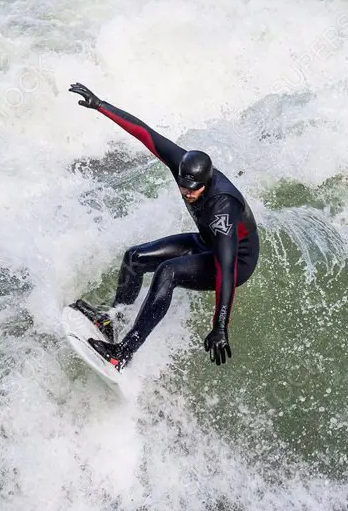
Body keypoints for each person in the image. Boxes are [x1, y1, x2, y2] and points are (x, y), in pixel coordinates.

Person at [68, 83, 260, 370]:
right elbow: (145, 133)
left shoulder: (223, 206)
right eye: (183, 187)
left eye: (193, 190)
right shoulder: (182, 164)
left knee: (167, 272)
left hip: (236, 261)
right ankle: (112, 320)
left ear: (206, 183)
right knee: (134, 258)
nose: (186, 193)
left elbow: (226, 267)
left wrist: (220, 325)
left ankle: (124, 351)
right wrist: (101, 105)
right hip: (206, 241)